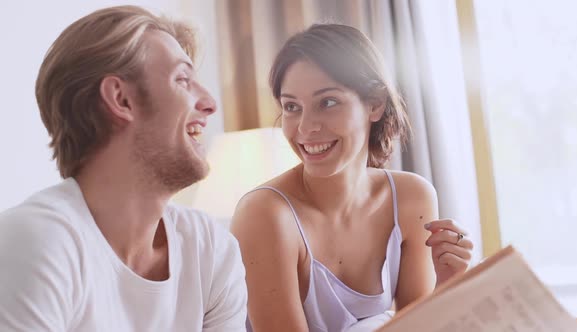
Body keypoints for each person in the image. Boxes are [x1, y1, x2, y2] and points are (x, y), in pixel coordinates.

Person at [0, 5, 246, 331]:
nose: (211, 103)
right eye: (183, 80)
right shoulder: (36, 243)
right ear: (121, 99)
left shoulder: (211, 249)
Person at [231, 23, 474, 332]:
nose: (305, 128)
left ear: (375, 104)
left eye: (327, 102)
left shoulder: (413, 197)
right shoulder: (265, 215)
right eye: (292, 107)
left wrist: (448, 285)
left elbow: (415, 325)